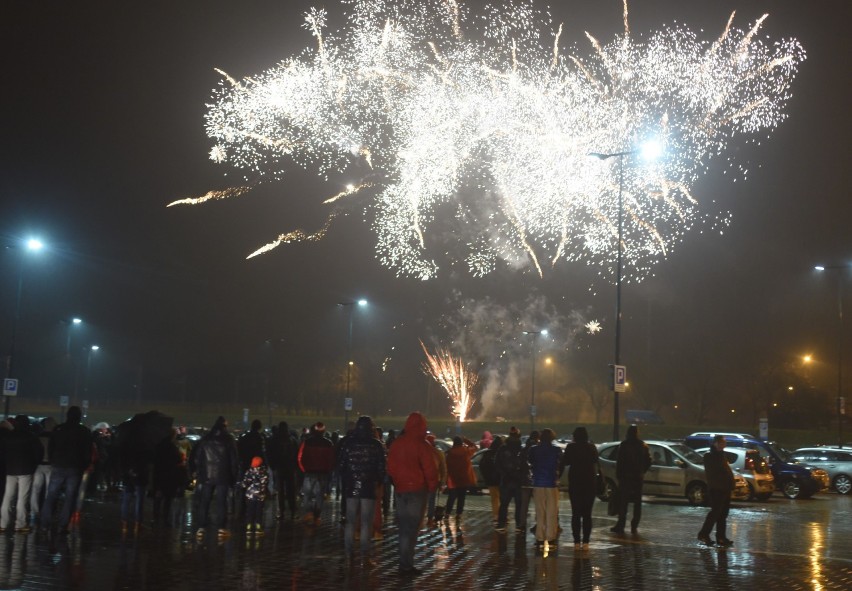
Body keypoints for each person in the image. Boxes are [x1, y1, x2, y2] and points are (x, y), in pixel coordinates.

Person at [386, 412, 438, 577]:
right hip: (417, 491)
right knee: (412, 529)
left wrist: (397, 482)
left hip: (401, 490)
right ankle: (407, 564)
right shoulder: (423, 445)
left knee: (403, 528)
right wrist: (431, 487)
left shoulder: (397, 444)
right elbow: (430, 469)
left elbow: (390, 467)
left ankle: (403, 563)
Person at [337, 415, 386, 568]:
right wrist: (377, 480)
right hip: (369, 486)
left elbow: (341, 464)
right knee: (366, 523)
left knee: (350, 522)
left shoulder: (348, 444)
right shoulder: (376, 445)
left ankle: (348, 554)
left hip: (352, 486)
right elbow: (381, 467)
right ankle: (365, 557)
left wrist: (347, 478)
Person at [40, 406, 92, 534]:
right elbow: (87, 451)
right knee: (70, 496)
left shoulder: (58, 429)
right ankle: (63, 524)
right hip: (75, 467)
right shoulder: (84, 431)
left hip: (58, 465)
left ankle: (45, 522)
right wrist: (84, 465)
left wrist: (53, 460)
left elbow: (51, 447)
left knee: (51, 494)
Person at [191, 416, 239, 539]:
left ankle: (201, 528)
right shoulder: (228, 439)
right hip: (223, 474)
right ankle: (221, 528)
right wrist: (233, 476)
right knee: (221, 502)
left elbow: (198, 457)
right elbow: (234, 460)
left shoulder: (206, 439)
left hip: (207, 474)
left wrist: (199, 471)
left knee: (204, 501)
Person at [0, 416, 42, 533]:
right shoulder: (31, 436)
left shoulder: (9, 436)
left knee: (7, 497)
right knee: (22, 498)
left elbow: (3, 452)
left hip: (10, 470)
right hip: (25, 470)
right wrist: (33, 465)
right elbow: (38, 453)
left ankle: (3, 523)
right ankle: (20, 524)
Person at [560, 426, 599, 551]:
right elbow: (595, 460)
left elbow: (565, 462)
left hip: (575, 483)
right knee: (587, 514)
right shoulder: (591, 447)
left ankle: (576, 541)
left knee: (575, 513)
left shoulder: (571, 447)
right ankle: (586, 541)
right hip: (589, 483)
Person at [611, 424, 652, 534]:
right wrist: (642, 471)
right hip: (638, 478)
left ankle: (621, 524)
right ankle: (634, 525)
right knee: (637, 503)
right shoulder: (643, 445)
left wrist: (619, 475)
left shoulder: (624, 445)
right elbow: (649, 461)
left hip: (626, 477)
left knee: (623, 502)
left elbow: (620, 462)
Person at [527, 428, 563, 550]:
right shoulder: (556, 450)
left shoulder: (534, 450)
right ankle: (551, 537)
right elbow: (561, 464)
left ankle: (540, 537)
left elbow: (530, 462)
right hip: (551, 483)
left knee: (540, 511)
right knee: (551, 512)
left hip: (538, 482)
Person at [698, 435, 735, 547]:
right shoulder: (710, 456)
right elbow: (716, 471)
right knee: (715, 513)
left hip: (725, 488)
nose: (723, 444)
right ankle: (703, 534)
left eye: (724, 442)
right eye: (721, 442)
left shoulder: (721, 455)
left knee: (723, 514)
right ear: (715, 443)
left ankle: (721, 537)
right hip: (717, 489)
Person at [297, 422, 335, 524]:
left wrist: (303, 469)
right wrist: (328, 469)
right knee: (320, 495)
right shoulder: (329, 443)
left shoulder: (307, 442)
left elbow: (300, 457)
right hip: (323, 472)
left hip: (309, 472)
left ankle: (309, 513)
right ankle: (317, 516)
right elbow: (331, 459)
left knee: (307, 495)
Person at [495, 426, 527, 534]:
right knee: (519, 504)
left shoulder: (502, 449)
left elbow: (497, 464)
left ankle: (501, 524)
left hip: (506, 480)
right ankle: (519, 525)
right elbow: (525, 465)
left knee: (504, 504)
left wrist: (504, 473)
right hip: (518, 481)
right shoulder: (521, 449)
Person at [151, 429, 184, 527]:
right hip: (169, 475)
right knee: (168, 499)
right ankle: (165, 519)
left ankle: (155, 518)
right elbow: (178, 459)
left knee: (158, 498)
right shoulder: (172, 447)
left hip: (159, 474)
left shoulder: (158, 446)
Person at [267, 421, 299, 519]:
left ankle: (281, 511)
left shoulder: (273, 440)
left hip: (279, 467)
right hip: (290, 467)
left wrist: (272, 466)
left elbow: (269, 453)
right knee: (291, 490)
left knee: (280, 491)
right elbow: (297, 454)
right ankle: (293, 510)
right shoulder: (292, 440)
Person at [237, 419, 266, 518]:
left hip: (246, 464)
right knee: (258, 487)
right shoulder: (260, 438)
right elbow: (262, 452)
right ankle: (255, 510)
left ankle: (242, 509)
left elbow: (239, 449)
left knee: (244, 486)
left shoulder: (245, 437)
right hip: (257, 465)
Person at [30, 417, 56, 526]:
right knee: (49, 490)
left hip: (38, 465)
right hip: (51, 465)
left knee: (35, 489)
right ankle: (47, 511)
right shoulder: (55, 437)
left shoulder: (38, 436)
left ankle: (33, 511)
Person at [444, 436, 476, 520]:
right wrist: (466, 440)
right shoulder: (466, 451)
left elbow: (446, 466)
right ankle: (459, 514)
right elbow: (474, 447)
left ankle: (447, 513)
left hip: (453, 478)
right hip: (464, 478)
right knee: (462, 497)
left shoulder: (450, 452)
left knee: (451, 496)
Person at [239, 456, 269, 536]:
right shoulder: (263, 472)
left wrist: (240, 485)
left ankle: (249, 525)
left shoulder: (249, 472)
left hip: (250, 495)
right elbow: (265, 483)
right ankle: (258, 526)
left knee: (250, 510)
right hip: (260, 496)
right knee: (259, 511)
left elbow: (245, 483)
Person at [425, 434, 447, 527]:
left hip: (423, 479)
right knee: (432, 499)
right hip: (435, 479)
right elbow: (443, 468)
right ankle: (430, 518)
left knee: (421, 499)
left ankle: (419, 516)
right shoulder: (438, 453)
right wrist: (442, 481)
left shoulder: (423, 452)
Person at [479, 435, 503, 524]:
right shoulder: (501, 453)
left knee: (494, 499)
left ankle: (496, 516)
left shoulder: (487, 453)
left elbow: (482, 465)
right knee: (502, 499)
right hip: (500, 479)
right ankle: (503, 516)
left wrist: (486, 476)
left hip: (490, 480)